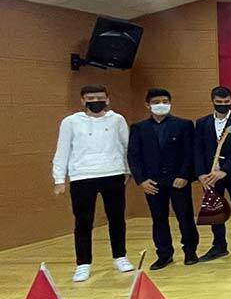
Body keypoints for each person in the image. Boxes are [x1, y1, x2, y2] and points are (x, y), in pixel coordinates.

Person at [52, 84, 133, 283]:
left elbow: (127, 146)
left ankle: (120, 256)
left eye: (99, 98)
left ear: (107, 99)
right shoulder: (70, 122)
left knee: (116, 218)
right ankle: (83, 264)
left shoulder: (117, 120)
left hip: (113, 174)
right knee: (83, 221)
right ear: (82, 101)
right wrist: (59, 179)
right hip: (82, 177)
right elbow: (62, 150)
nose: (96, 101)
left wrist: (128, 170)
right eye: (90, 98)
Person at [128, 88, 198, 270]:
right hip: (153, 183)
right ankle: (164, 254)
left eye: (165, 101)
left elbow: (190, 153)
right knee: (159, 219)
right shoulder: (139, 128)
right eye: (156, 102)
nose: (161, 105)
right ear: (148, 105)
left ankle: (190, 252)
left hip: (178, 180)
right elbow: (134, 156)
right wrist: (142, 180)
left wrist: (184, 175)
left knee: (185, 217)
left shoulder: (184, 125)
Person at [195, 85, 231, 261]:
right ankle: (219, 245)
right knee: (214, 210)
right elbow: (197, 149)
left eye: (226, 101)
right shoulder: (202, 123)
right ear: (212, 101)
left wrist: (225, 170)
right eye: (219, 102)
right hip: (209, 176)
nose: (223, 104)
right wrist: (201, 174)